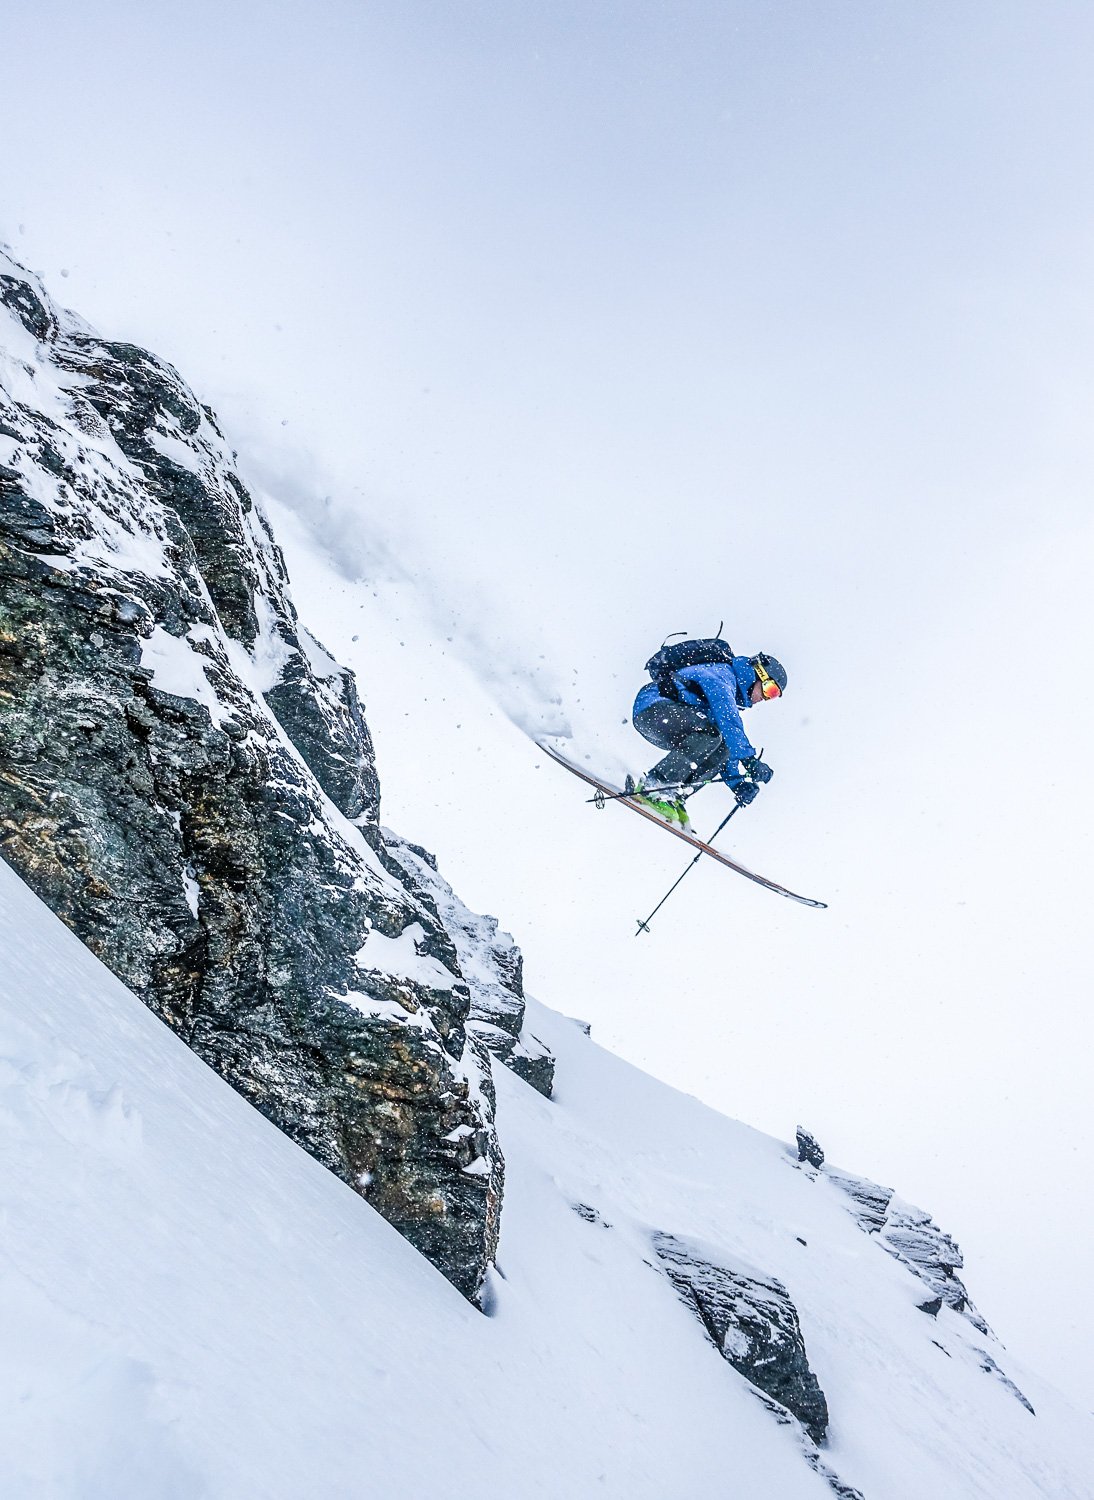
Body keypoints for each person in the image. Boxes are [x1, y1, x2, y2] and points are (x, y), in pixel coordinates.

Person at [628, 641, 786, 828]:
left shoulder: (731, 691)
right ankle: (656, 787)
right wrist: (750, 761)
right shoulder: (721, 675)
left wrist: (737, 784)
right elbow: (729, 723)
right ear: (756, 674)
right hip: (653, 708)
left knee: (721, 744)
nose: (765, 698)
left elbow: (726, 745)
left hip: (670, 720)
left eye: (773, 696)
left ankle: (673, 793)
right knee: (712, 734)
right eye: (769, 689)